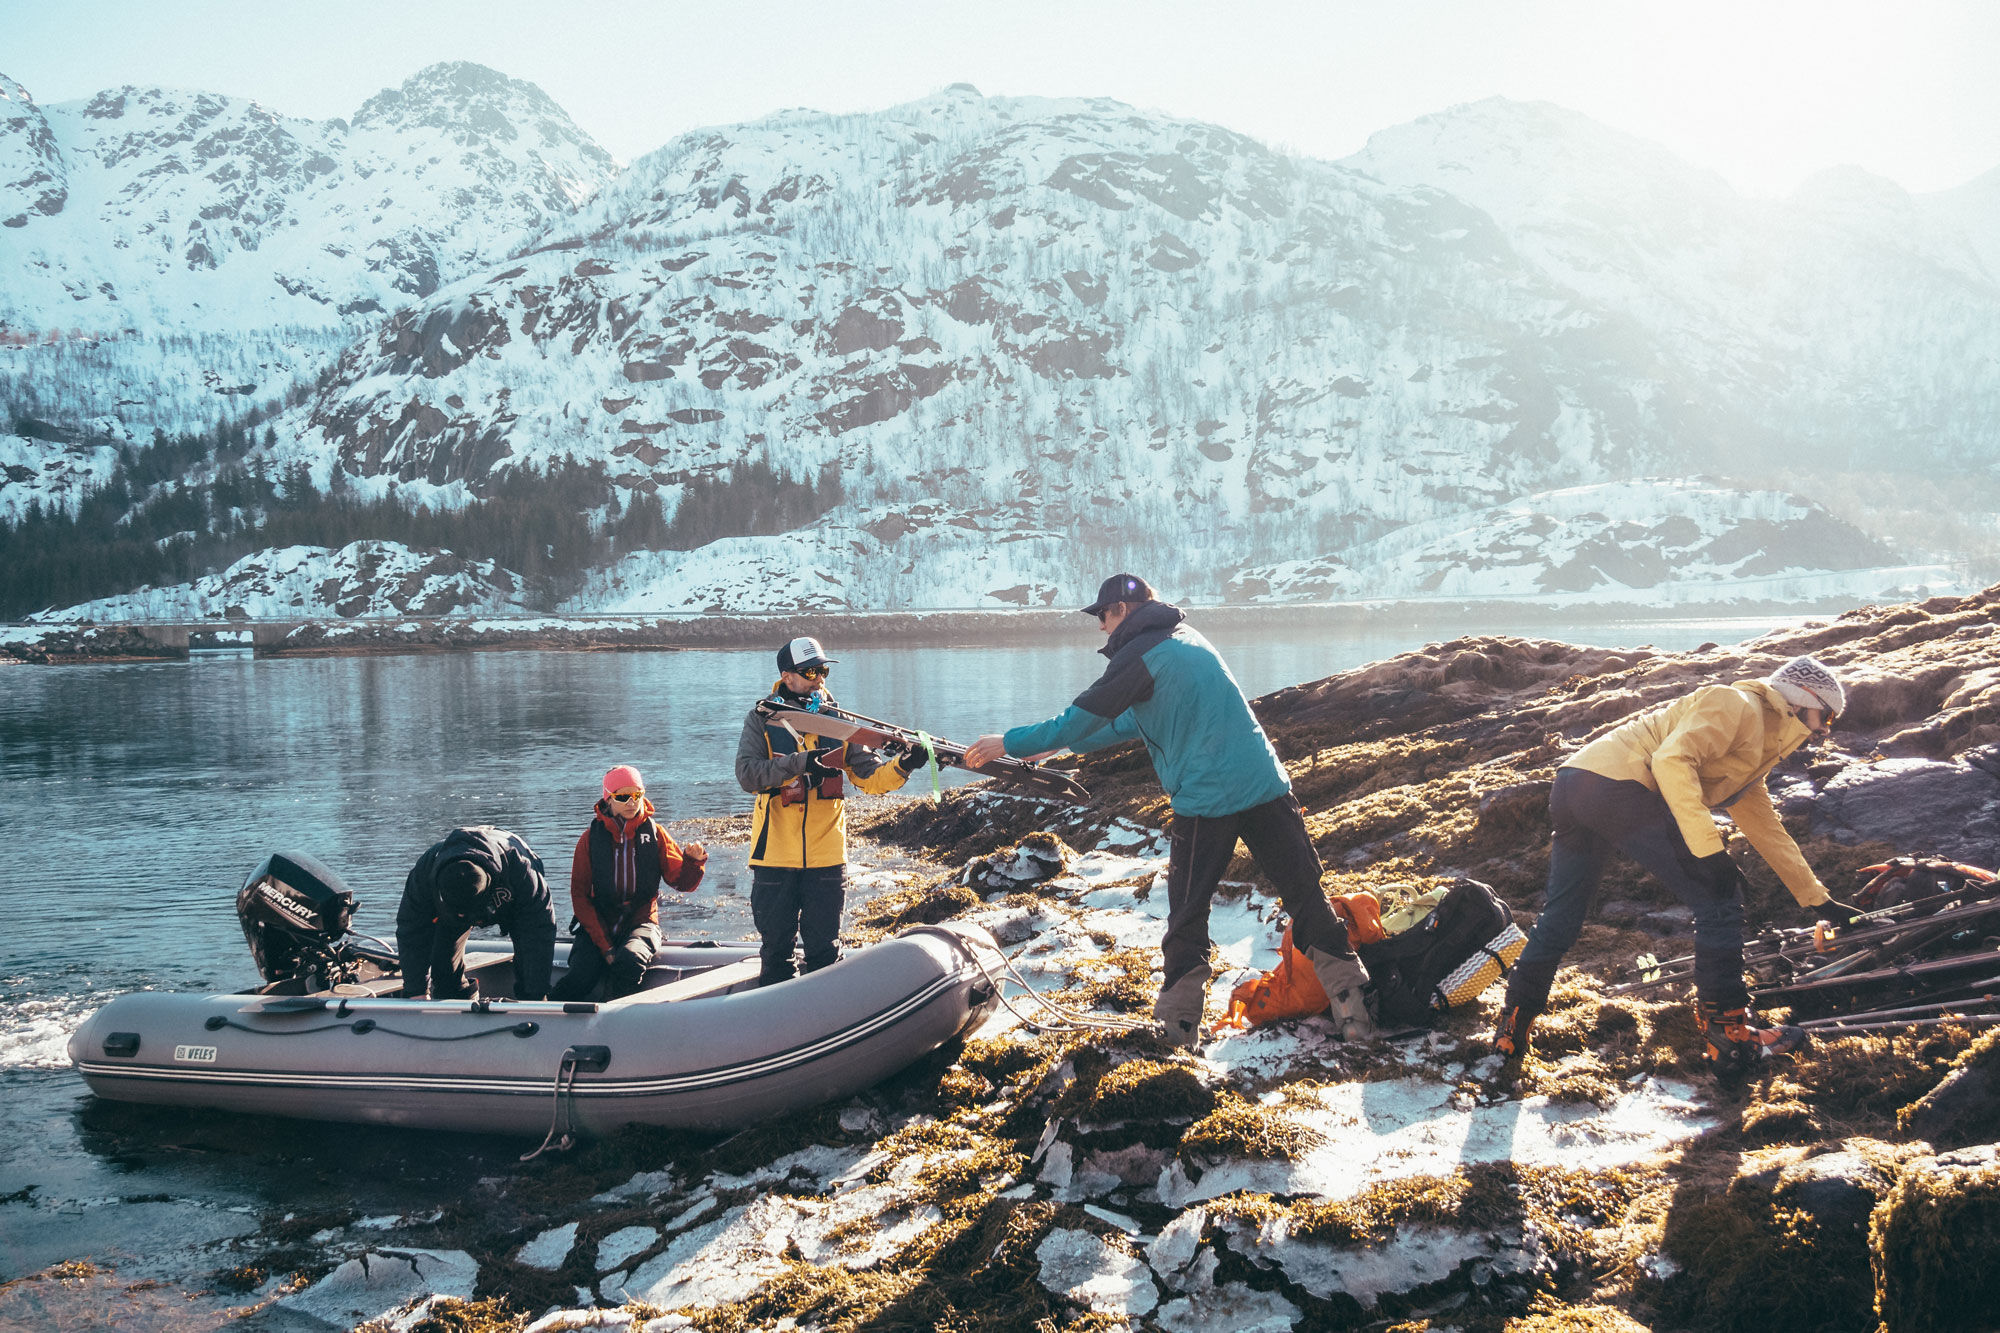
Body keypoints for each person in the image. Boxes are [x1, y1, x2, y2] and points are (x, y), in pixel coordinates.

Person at [964, 574, 1374, 1048]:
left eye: (1102, 615)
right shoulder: (1186, 639)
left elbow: (1078, 718)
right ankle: (1355, 1015)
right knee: (1305, 896)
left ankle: (1178, 1029)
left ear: (1122, 609)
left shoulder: (1139, 655)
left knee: (1186, 914)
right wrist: (1055, 750)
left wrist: (1008, 742)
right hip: (1266, 785)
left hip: (1207, 801)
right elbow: (1130, 720)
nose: (1100, 627)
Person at [1493, 654, 1860, 1075]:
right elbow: (1671, 761)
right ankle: (1731, 1039)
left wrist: (1817, 901)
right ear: (1800, 700)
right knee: (1719, 900)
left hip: (1576, 784)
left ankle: (1511, 1028)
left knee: (1560, 918)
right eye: (1825, 717)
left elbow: (1765, 827)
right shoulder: (1736, 704)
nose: (1824, 730)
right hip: (1617, 786)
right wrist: (1709, 851)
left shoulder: (1758, 744)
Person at [735, 636, 928, 985]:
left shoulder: (840, 723)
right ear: (787, 676)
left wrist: (904, 765)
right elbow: (748, 776)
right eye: (810, 671)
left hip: (827, 858)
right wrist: (801, 763)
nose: (819, 679)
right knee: (776, 952)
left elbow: (870, 779)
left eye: (823, 670)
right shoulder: (761, 719)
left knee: (825, 951)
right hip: (774, 858)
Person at [550, 765, 708, 1001]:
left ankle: (619, 1019)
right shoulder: (589, 840)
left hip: (642, 922)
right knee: (582, 974)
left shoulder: (656, 834)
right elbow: (579, 897)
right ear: (608, 799)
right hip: (598, 924)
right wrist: (606, 947)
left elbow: (682, 883)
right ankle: (548, 1010)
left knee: (629, 961)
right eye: (623, 797)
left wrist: (693, 864)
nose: (631, 802)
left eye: (637, 795)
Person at [395, 825, 558, 1001]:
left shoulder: (523, 871)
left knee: (530, 972)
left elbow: (539, 933)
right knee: (444, 968)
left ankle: (528, 1000)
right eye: (460, 913)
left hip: (514, 899)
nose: (463, 918)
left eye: (466, 913)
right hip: (448, 910)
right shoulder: (424, 873)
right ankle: (457, 1001)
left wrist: (537, 993)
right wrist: (416, 990)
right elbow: (412, 932)